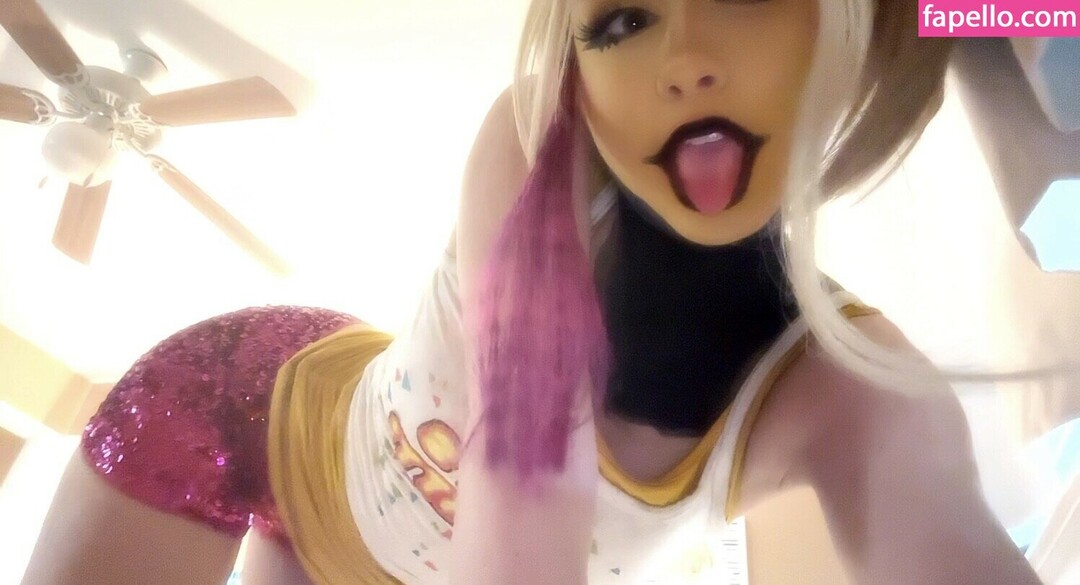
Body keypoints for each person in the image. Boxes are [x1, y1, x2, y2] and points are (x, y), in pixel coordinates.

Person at [19, 1, 1049, 584]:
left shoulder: (866, 400)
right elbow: (528, 477)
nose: (685, 59)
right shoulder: (535, 152)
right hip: (250, 412)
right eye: (623, 20)